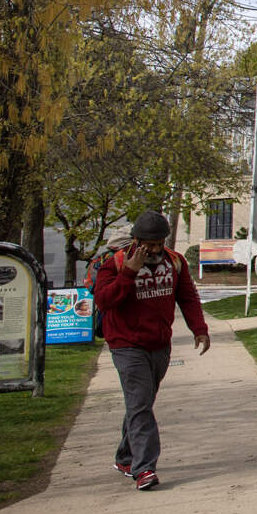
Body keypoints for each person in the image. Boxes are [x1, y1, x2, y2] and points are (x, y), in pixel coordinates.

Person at [92, 210, 210, 491]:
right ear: (136, 240)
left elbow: (188, 296)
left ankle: (124, 456)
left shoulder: (175, 262)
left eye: (159, 243)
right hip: (126, 345)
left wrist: (199, 328)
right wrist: (130, 273)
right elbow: (104, 300)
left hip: (159, 344)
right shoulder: (117, 263)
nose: (155, 249)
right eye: (149, 244)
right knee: (141, 404)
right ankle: (144, 469)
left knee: (140, 403)